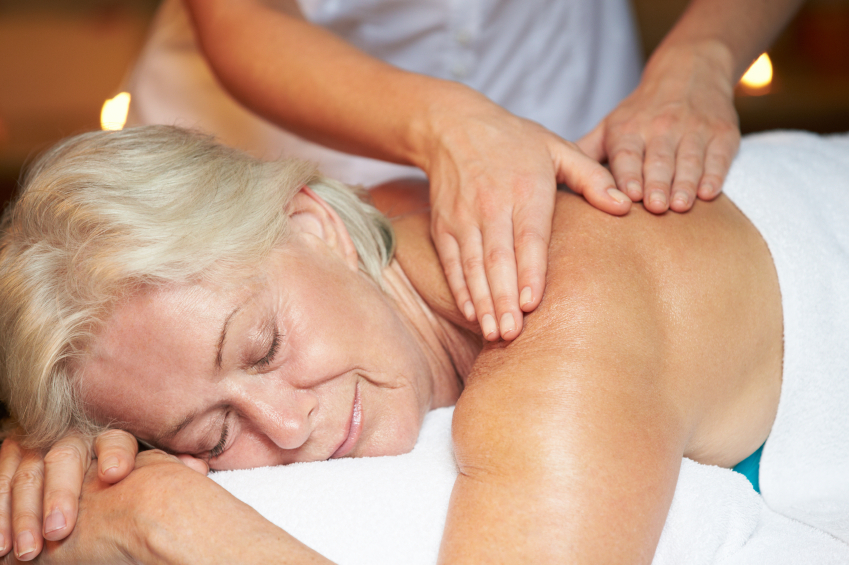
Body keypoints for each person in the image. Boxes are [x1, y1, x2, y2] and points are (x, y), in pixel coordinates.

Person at [0, 126, 803, 562]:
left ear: (314, 226)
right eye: (211, 435)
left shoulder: (561, 335)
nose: (282, 427)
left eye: (262, 344)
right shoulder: (384, 219)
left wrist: (161, 517)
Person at [124, 0, 804, 342]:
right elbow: (240, 14)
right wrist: (446, 128)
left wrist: (702, 58)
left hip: (562, 91)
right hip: (270, 131)